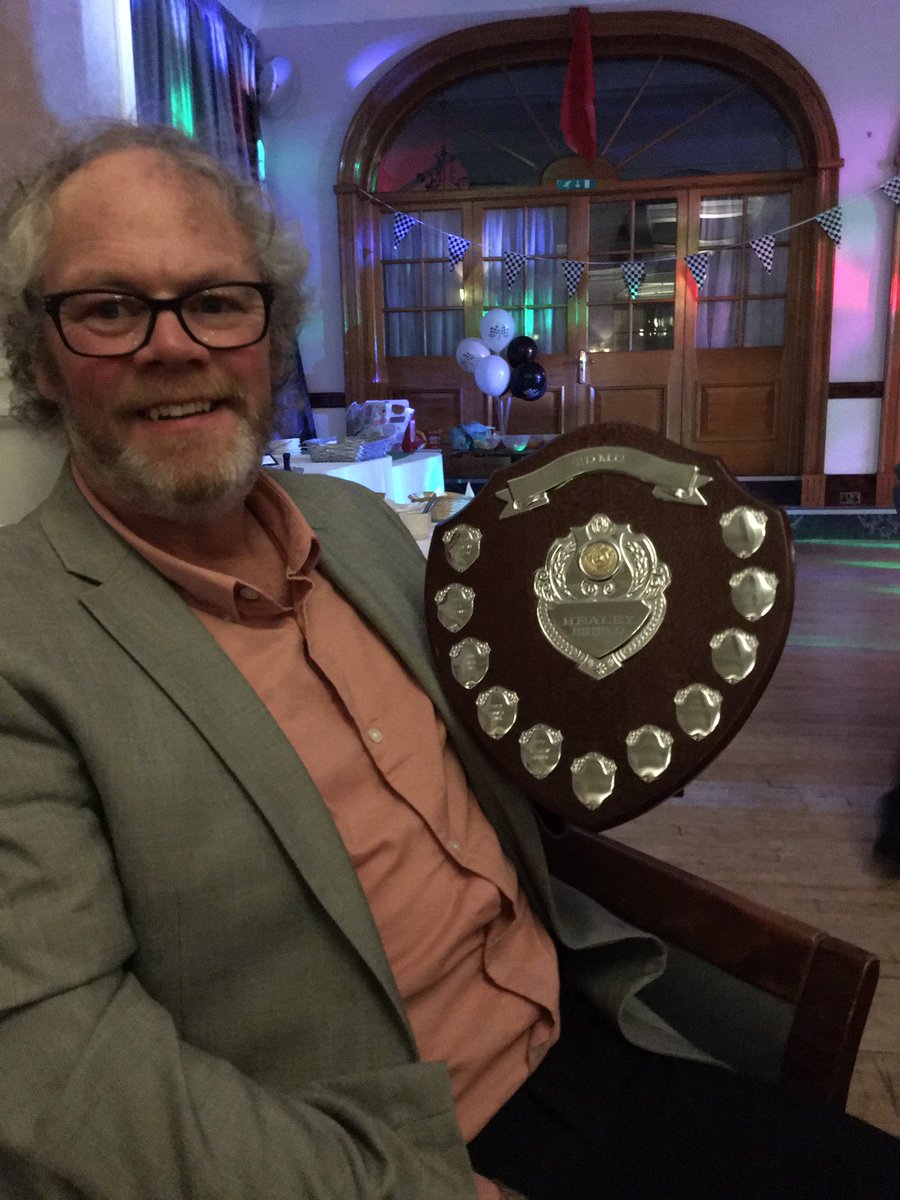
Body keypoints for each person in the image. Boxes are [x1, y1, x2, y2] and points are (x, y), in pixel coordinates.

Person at [0, 122, 897, 1200]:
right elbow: (60, 1069)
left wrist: (621, 717)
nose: (173, 344)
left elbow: (501, 743)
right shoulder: (22, 637)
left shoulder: (358, 524)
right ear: (38, 357)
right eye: (107, 308)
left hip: (594, 1034)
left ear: (268, 333)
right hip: (363, 1153)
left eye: (216, 298)